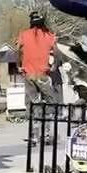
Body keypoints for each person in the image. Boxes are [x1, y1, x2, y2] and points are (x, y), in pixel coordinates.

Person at [16, 11, 58, 140]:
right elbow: (56, 52)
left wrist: (18, 65)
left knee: (34, 103)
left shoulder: (23, 34)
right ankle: (47, 133)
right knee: (50, 102)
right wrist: (54, 65)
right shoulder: (49, 35)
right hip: (43, 75)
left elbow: (18, 51)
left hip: (29, 75)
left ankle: (34, 134)